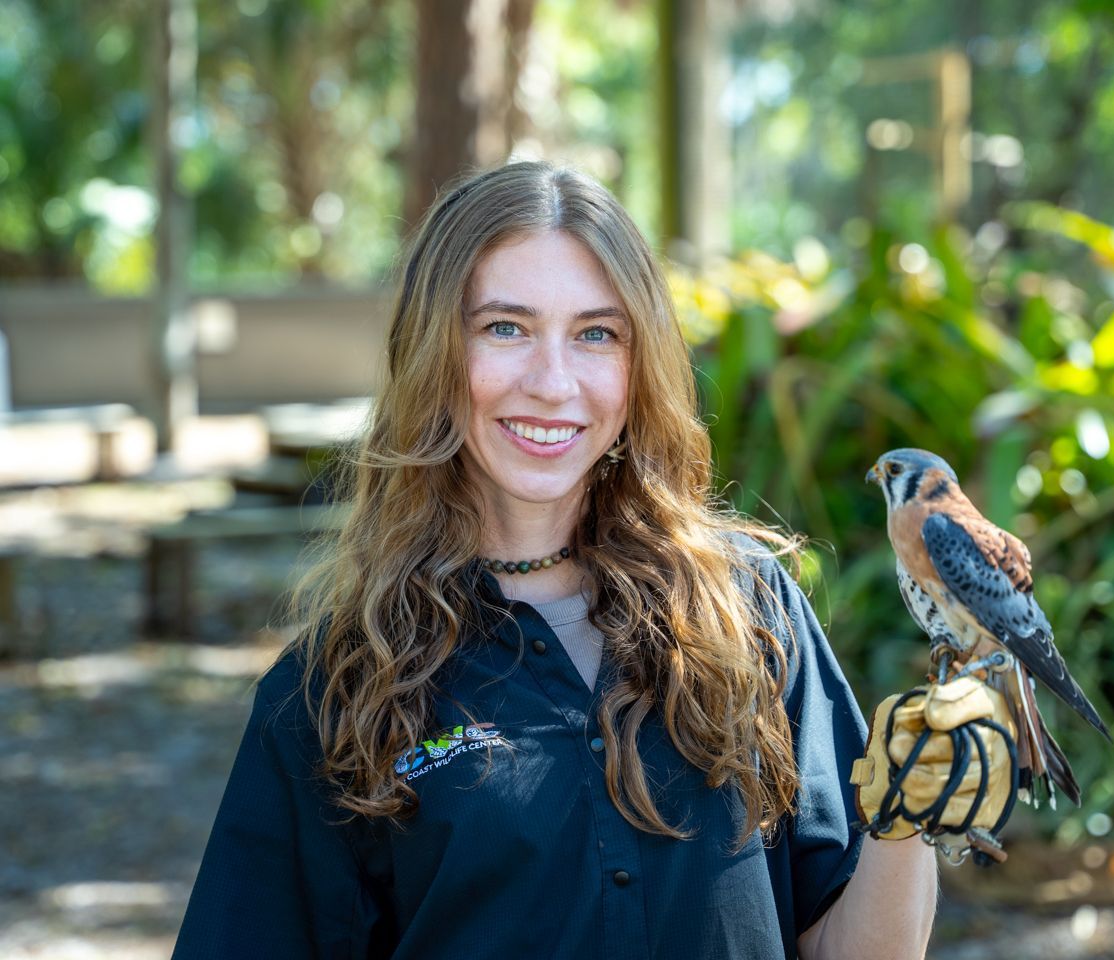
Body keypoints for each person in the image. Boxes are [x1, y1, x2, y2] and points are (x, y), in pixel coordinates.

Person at [171, 161, 940, 960]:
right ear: (434, 351)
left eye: (596, 334)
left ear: (638, 365)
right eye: (505, 327)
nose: (553, 382)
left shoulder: (748, 610)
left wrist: (914, 815)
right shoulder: (335, 689)